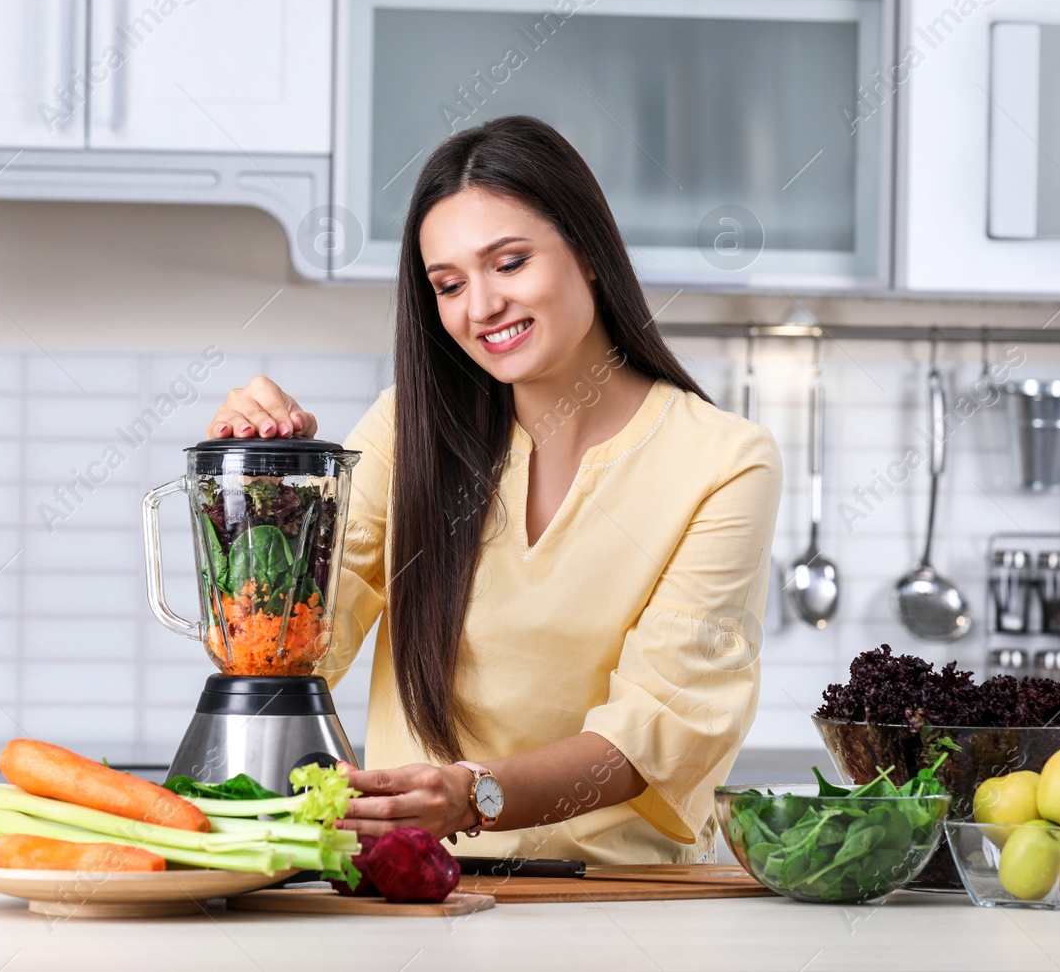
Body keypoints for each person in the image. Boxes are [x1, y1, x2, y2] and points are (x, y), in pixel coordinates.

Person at [207, 115, 780, 864]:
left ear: (590, 252)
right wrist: (261, 492)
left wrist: (474, 794)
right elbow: (292, 647)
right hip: (417, 887)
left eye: (509, 263)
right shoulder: (408, 429)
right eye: (449, 284)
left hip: (620, 901)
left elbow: (659, 726)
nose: (479, 308)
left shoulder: (724, 462)